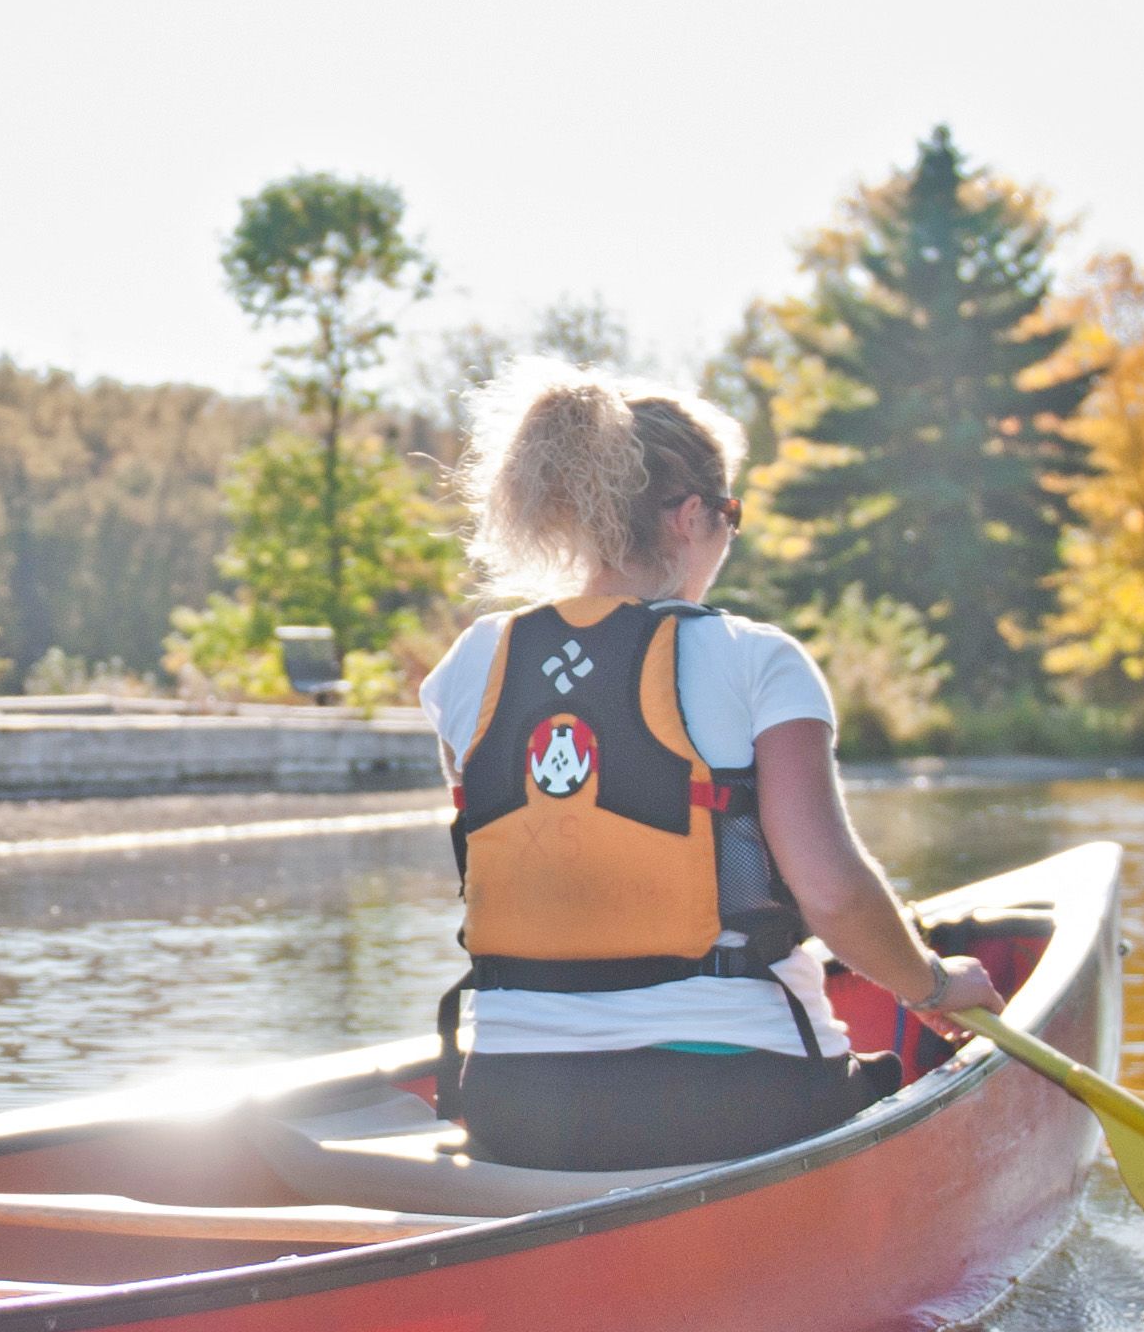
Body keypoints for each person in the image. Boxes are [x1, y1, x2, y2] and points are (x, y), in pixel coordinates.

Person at [419, 366, 997, 1171]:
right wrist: (932, 986)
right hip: (734, 1101)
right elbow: (829, 892)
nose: (728, 536)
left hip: (512, 1104)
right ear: (694, 515)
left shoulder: (466, 666)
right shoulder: (757, 660)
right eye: (730, 516)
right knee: (880, 1074)